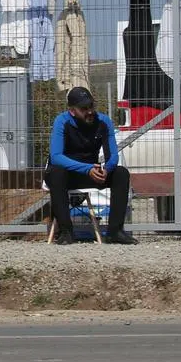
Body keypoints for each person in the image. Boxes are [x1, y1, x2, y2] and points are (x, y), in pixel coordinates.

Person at [46, 86, 138, 245]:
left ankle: (115, 232)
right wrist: (86, 169)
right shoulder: (62, 121)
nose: (89, 112)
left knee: (121, 173)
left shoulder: (103, 121)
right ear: (72, 111)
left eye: (91, 107)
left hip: (92, 172)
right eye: (84, 109)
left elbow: (113, 156)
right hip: (68, 174)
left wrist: (106, 170)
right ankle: (66, 232)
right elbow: (56, 157)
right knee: (56, 173)